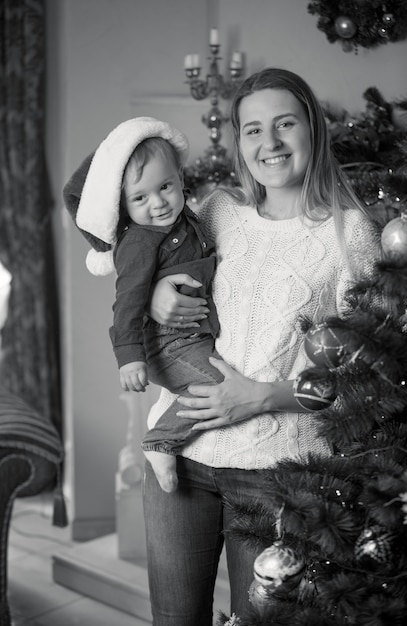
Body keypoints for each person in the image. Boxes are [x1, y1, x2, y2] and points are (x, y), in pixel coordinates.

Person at [142, 68, 381, 625]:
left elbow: (366, 385)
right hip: (179, 452)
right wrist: (157, 291)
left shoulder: (351, 236)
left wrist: (265, 396)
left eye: (284, 124)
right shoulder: (217, 211)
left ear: (312, 131)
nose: (268, 143)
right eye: (252, 129)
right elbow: (146, 260)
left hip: (276, 475)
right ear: (238, 141)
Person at [63, 117, 225, 494]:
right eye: (140, 198)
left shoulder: (188, 217)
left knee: (223, 376)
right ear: (122, 206)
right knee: (216, 385)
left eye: (165, 186)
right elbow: (127, 303)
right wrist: (129, 357)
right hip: (164, 345)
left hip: (192, 338)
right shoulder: (138, 243)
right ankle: (161, 441)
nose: (158, 203)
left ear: (180, 178)